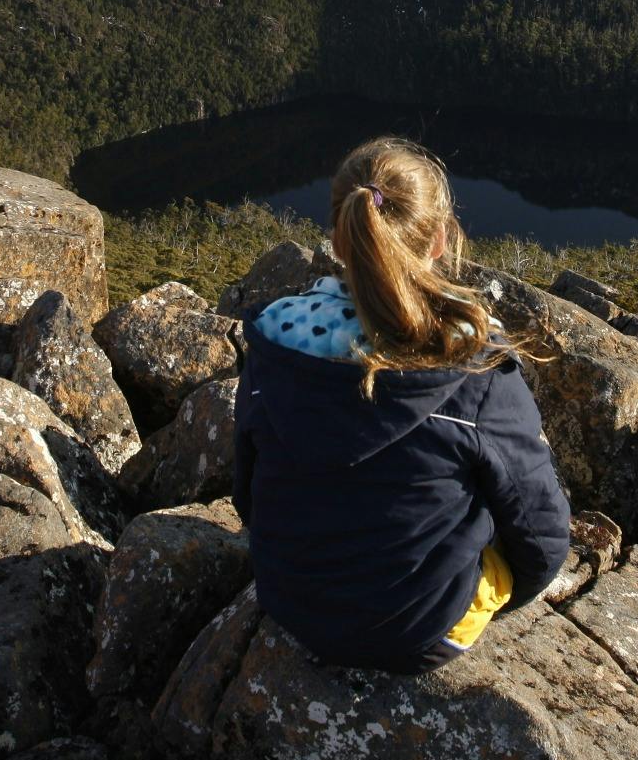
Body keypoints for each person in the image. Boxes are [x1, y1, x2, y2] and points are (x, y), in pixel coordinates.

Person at [233, 136, 571, 672]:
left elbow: (249, 492)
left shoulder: (276, 340)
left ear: (340, 240)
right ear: (439, 240)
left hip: (290, 604)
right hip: (419, 632)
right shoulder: (470, 361)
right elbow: (540, 528)